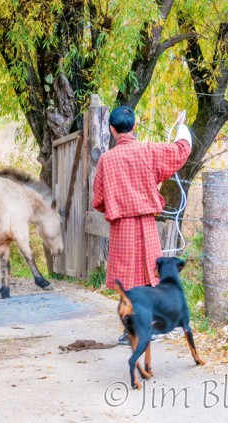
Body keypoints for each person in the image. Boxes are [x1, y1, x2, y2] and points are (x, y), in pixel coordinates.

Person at [92, 106, 192, 345]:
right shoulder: (148, 151)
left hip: (121, 226)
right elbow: (180, 151)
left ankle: (132, 332)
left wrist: (116, 207)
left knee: (127, 279)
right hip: (146, 223)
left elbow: (98, 200)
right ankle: (154, 327)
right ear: (134, 126)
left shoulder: (106, 160)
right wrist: (182, 127)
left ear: (112, 130)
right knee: (150, 275)